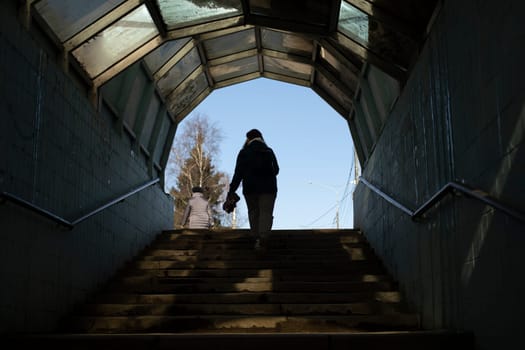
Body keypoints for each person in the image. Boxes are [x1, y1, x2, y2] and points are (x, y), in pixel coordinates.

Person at [226, 129, 279, 250]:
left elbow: (238, 173)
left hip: (250, 188)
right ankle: (263, 238)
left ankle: (256, 238)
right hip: (268, 188)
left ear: (248, 139)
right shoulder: (269, 151)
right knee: (266, 213)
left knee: (253, 212)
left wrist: (232, 190)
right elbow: (276, 170)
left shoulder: (244, 152)